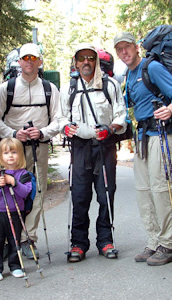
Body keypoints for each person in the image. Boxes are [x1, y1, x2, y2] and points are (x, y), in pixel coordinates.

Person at [114, 31, 172, 266]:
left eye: (127, 47)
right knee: (143, 191)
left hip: (162, 136)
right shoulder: (129, 74)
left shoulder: (151, 67)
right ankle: (154, 240)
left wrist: (171, 109)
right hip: (143, 138)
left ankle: (168, 244)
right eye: (119, 49)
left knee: (160, 190)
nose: (124, 52)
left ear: (136, 47)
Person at [58, 43, 127, 262]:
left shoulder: (111, 86)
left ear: (96, 61)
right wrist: (65, 127)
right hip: (79, 148)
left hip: (104, 148)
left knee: (106, 194)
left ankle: (106, 240)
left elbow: (121, 115)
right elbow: (60, 118)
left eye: (90, 58)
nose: (86, 62)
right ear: (75, 62)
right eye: (82, 58)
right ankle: (78, 243)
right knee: (79, 196)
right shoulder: (68, 89)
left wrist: (111, 128)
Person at [0, 43, 60, 259]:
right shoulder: (6, 89)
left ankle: (28, 239)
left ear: (39, 62)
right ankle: (7, 239)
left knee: (36, 193)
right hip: (11, 150)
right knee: (6, 191)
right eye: (25, 58)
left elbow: (59, 119)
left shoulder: (49, 89)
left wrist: (43, 132)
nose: (29, 62)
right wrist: (12, 134)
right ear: (19, 62)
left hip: (39, 148)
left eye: (33, 58)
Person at [0, 138, 32, 281]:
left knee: (14, 240)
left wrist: (14, 182)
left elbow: (25, 193)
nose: (10, 155)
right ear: (0, 156)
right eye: (6, 153)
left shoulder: (24, 174)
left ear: (21, 155)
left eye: (14, 152)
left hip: (16, 212)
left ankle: (15, 266)